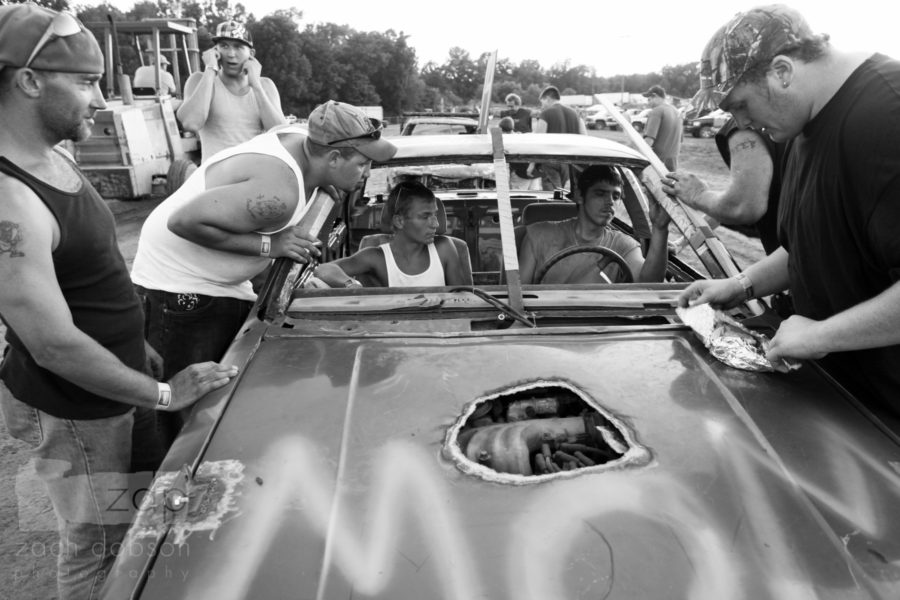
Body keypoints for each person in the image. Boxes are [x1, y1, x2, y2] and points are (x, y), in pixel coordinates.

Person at [0, 6, 238, 599]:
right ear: (30, 81)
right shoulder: (9, 198)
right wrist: (163, 393)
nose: (102, 100)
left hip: (112, 380)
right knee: (98, 542)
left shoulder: (53, 156)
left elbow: (93, 276)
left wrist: (139, 348)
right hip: (78, 406)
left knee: (124, 527)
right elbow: (52, 342)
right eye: (85, 82)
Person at [677, 4, 900, 424]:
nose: (741, 121)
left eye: (739, 104)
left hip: (887, 422)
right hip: (839, 396)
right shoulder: (803, 125)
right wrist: (741, 285)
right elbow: (811, 245)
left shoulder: (888, 114)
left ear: (782, 71)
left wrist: (819, 335)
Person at [131, 100, 397, 442]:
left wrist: (322, 184)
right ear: (332, 158)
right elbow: (183, 221)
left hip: (219, 282)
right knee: (191, 411)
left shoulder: (302, 139)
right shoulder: (278, 194)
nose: (367, 173)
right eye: (362, 163)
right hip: (180, 290)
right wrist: (272, 245)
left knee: (223, 390)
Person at [519, 165, 671, 284]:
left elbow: (647, 284)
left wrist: (660, 228)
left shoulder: (624, 244)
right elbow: (519, 293)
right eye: (600, 194)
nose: (610, 201)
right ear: (579, 196)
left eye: (616, 196)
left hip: (601, 322)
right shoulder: (538, 234)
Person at [662, 114, 786, 255]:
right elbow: (727, 204)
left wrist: (698, 194)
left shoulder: (744, 127)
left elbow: (740, 206)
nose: (741, 118)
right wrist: (681, 242)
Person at [314, 181, 472, 287]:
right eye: (425, 217)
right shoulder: (376, 257)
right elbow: (322, 269)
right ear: (399, 221)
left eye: (435, 215)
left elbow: (462, 299)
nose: (435, 224)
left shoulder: (444, 248)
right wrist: (351, 286)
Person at [176, 20, 286, 162]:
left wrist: (256, 86)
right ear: (215, 50)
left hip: (254, 177)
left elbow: (282, 135)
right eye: (224, 46)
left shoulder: (266, 86)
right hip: (215, 179)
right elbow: (191, 123)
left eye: (238, 47)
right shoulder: (199, 81)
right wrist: (210, 69)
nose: (231, 54)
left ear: (251, 53)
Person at [527, 85, 586, 190]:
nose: (542, 106)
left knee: (553, 195)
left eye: (542, 102)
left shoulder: (545, 113)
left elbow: (538, 141)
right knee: (562, 191)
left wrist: (532, 164)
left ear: (548, 99)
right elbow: (584, 137)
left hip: (550, 161)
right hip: (569, 162)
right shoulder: (575, 114)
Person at [640, 85, 682, 171]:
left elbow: (649, 141)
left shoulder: (656, 111)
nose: (648, 103)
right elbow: (680, 139)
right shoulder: (676, 112)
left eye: (649, 99)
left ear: (655, 96)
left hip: (658, 162)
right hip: (673, 161)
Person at [499, 116, 541, 190]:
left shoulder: (506, 141)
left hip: (520, 174)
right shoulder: (521, 136)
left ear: (501, 129)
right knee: (535, 196)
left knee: (519, 197)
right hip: (534, 172)